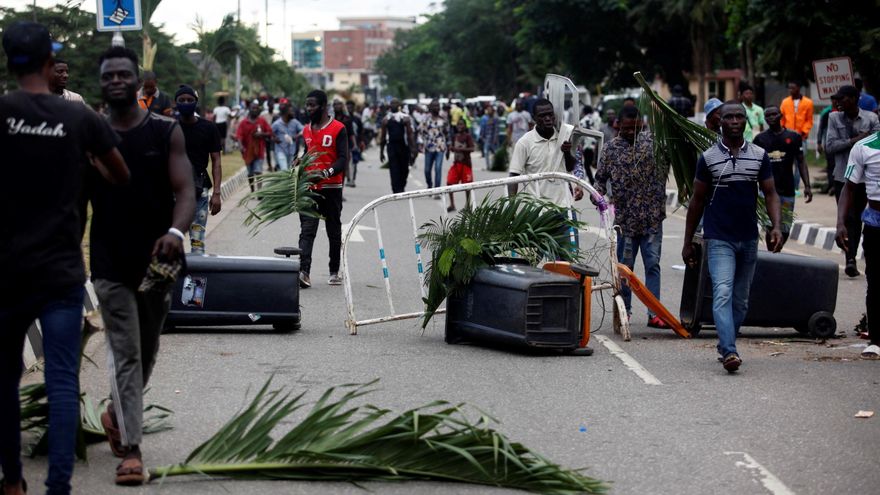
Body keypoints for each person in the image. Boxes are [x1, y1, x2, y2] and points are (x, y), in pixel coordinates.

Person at [0, 22, 129, 495]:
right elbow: (120, 174)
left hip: (8, 272)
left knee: (5, 381)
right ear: (46, 61)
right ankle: (58, 487)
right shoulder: (78, 118)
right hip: (61, 272)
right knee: (60, 380)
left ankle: (12, 482)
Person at [89, 45, 194, 485]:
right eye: (108, 75)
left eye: (123, 74)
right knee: (127, 353)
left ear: (138, 81)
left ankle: (117, 413)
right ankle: (132, 450)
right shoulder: (90, 134)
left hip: (157, 264)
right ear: (101, 83)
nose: (116, 80)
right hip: (109, 262)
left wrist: (175, 232)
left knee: (147, 350)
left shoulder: (165, 130)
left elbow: (185, 190)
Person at [682, 101, 782, 373]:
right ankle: (729, 350)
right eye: (729, 117)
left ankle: (726, 342)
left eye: (740, 116)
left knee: (741, 300)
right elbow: (697, 201)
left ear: (746, 121)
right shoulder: (708, 158)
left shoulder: (759, 156)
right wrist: (688, 241)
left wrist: (776, 226)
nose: (735, 121)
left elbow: (770, 193)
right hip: (718, 239)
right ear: (720, 122)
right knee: (723, 292)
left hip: (748, 237)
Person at [594, 106, 668, 328]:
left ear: (641, 124)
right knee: (625, 269)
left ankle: (655, 313)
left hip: (652, 219)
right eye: (625, 128)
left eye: (634, 128)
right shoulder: (611, 149)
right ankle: (624, 311)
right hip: (625, 222)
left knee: (653, 265)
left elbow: (674, 159)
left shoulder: (655, 143)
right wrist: (596, 196)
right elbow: (600, 179)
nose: (629, 132)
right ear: (618, 125)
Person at [825, 85, 880, 276]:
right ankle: (850, 258)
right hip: (843, 176)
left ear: (854, 99)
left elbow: (875, 142)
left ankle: (852, 255)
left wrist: (861, 141)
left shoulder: (871, 118)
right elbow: (830, 147)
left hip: (864, 179)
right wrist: (854, 141)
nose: (839, 102)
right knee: (848, 217)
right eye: (837, 99)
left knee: (857, 218)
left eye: (843, 98)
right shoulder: (834, 118)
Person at [835, 130, 880, 358]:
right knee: (875, 281)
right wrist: (840, 222)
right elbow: (849, 187)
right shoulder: (864, 147)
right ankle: (876, 340)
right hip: (876, 222)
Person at [298, 90, 349, 288]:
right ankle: (304, 272)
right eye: (307, 105)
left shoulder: (338, 128)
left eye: (312, 105)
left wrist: (326, 172)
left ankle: (334, 271)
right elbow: (307, 152)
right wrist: (300, 160)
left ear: (323, 106)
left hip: (331, 187)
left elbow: (343, 159)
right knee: (307, 229)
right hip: (309, 187)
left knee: (333, 230)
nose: (308, 108)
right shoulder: (306, 130)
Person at [754, 105, 812, 247]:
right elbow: (754, 165)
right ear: (765, 119)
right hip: (766, 192)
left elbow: (801, 162)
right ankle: (772, 250)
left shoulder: (793, 137)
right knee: (770, 225)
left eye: (774, 114)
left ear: (781, 115)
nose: (771, 117)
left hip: (787, 190)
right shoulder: (760, 139)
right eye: (768, 115)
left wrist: (807, 186)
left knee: (785, 227)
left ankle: (777, 249)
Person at [176, 84, 222, 255]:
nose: (186, 103)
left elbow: (216, 161)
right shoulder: (169, 127)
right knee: (173, 240)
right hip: (173, 190)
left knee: (197, 240)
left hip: (200, 189)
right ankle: (176, 272)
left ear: (196, 102)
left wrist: (216, 193)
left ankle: (196, 272)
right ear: (176, 102)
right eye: (181, 100)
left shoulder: (209, 128)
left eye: (190, 100)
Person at [507, 98, 576, 205]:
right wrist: (511, 207)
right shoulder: (524, 143)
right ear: (534, 118)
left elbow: (570, 168)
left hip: (565, 205)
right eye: (542, 116)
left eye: (550, 114)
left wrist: (567, 152)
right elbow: (513, 175)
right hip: (537, 208)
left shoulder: (563, 137)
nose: (547, 119)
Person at [379, 98, 416, 193]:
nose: (393, 105)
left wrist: (413, 149)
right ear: (390, 105)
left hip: (404, 147)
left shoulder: (405, 118)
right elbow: (383, 137)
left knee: (404, 168)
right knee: (394, 169)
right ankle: (395, 190)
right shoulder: (386, 119)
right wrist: (381, 152)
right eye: (392, 103)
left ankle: (402, 186)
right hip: (392, 147)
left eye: (395, 103)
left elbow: (410, 134)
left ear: (399, 105)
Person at [236, 101, 272, 192]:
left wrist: (262, 134)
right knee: (250, 173)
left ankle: (259, 192)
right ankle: (253, 190)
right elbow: (239, 136)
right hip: (247, 152)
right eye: (253, 108)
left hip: (259, 151)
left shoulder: (262, 121)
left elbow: (269, 132)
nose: (255, 110)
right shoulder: (244, 122)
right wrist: (241, 146)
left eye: (256, 108)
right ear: (249, 109)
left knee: (258, 171)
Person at [419, 99, 450, 194]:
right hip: (429, 148)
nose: (436, 108)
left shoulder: (443, 121)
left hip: (440, 148)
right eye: (434, 106)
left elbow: (447, 134)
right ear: (430, 108)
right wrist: (421, 144)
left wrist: (448, 149)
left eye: (437, 106)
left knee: (438, 168)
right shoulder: (425, 121)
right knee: (427, 170)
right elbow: (421, 133)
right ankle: (429, 185)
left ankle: (437, 190)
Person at [447, 119, 476, 212]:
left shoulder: (467, 136)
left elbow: (472, 148)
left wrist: (461, 149)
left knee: (467, 186)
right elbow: (452, 147)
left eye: (461, 124)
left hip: (466, 164)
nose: (459, 126)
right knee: (449, 182)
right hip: (456, 164)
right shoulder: (455, 136)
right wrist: (450, 149)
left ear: (465, 126)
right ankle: (452, 204)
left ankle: (468, 205)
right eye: (458, 124)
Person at [817, 95, 841, 193]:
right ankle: (831, 185)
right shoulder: (827, 113)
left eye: (837, 100)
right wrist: (819, 143)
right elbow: (821, 129)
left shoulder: (842, 112)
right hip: (829, 144)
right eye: (833, 100)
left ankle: (838, 185)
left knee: (839, 164)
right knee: (830, 165)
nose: (835, 102)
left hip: (841, 144)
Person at [271, 102, 304, 171]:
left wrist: (296, 136)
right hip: (280, 150)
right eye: (291, 111)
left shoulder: (295, 122)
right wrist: (274, 138)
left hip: (292, 151)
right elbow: (270, 133)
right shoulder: (277, 124)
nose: (293, 113)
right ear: (285, 113)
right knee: (284, 169)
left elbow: (303, 130)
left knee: (289, 170)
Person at [346, 100, 365, 186]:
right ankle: (348, 179)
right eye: (348, 107)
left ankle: (352, 179)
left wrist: (361, 142)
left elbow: (361, 131)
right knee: (346, 162)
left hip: (355, 143)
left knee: (354, 162)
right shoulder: (344, 118)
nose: (349, 109)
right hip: (345, 143)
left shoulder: (357, 119)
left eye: (351, 107)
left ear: (354, 108)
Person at [479, 105, 501, 170]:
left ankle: (495, 165)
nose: (489, 111)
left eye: (490, 110)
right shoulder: (484, 118)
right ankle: (488, 166)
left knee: (495, 152)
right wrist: (481, 136)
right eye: (488, 110)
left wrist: (495, 138)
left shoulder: (495, 118)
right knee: (486, 152)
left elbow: (497, 129)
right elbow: (482, 127)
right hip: (486, 138)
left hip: (493, 138)